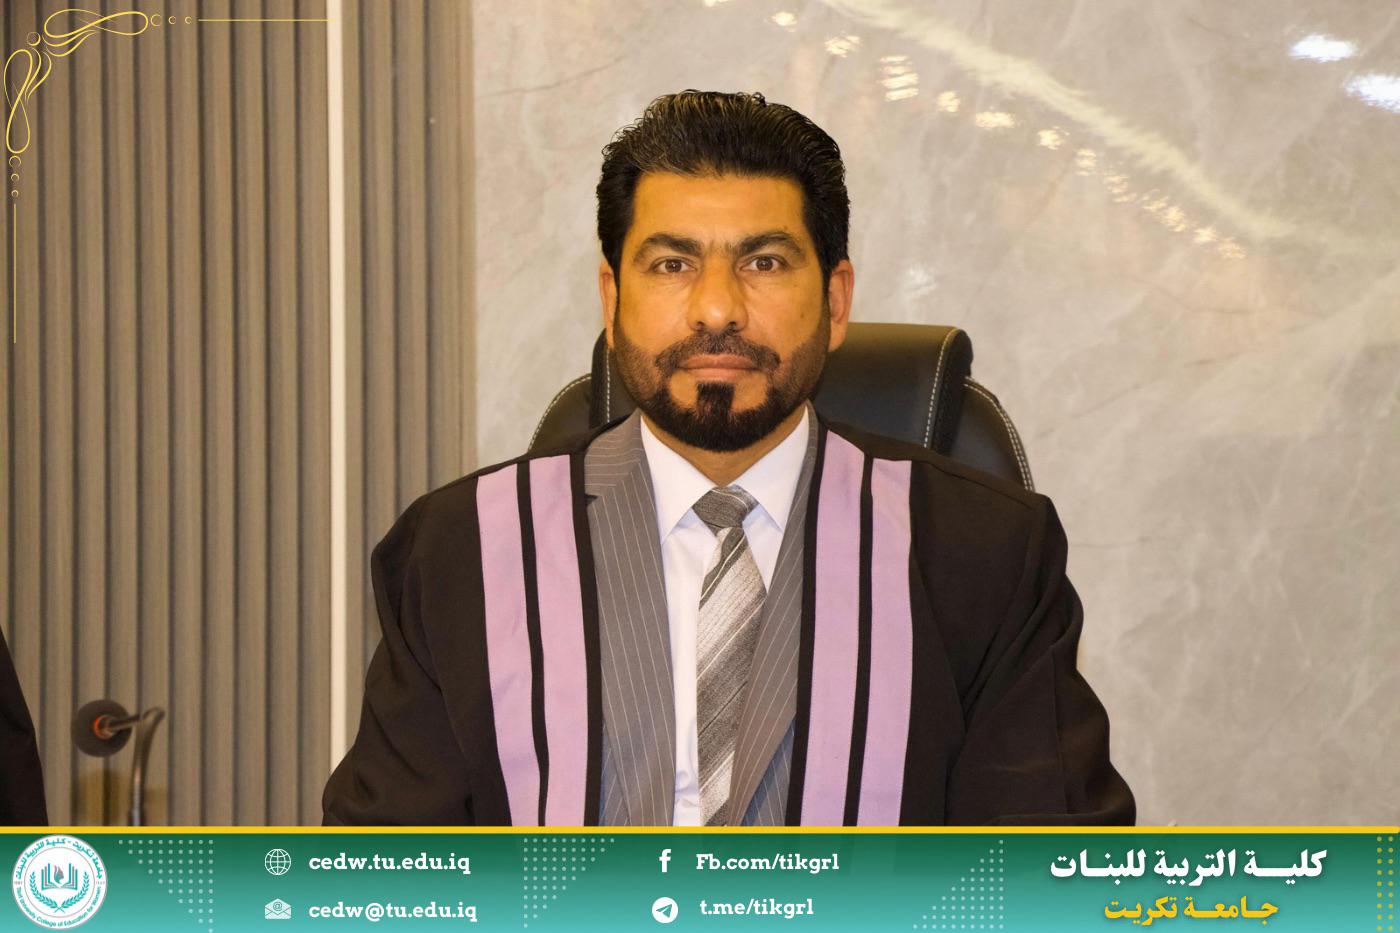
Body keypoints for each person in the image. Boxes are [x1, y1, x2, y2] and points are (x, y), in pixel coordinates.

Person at [323, 90, 1134, 826]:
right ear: (611, 299)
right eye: (672, 264)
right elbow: (385, 880)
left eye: (764, 262)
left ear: (836, 300)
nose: (717, 308)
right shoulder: (462, 551)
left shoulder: (983, 553)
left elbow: (1045, 878)